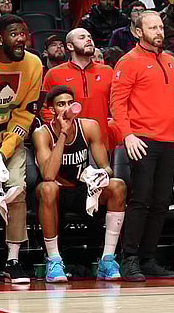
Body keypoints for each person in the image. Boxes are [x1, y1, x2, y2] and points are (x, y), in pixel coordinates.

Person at [110, 10, 174, 281]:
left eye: (160, 27)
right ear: (137, 32)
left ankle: (148, 258)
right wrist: (127, 135)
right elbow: (117, 104)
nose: (159, 32)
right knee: (141, 200)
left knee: (160, 203)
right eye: (152, 28)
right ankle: (129, 258)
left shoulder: (170, 60)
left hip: (168, 141)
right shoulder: (128, 61)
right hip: (141, 140)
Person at [32, 85, 127, 282]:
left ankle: (107, 259)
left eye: (69, 103)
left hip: (82, 189)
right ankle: (54, 260)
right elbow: (49, 174)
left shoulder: (89, 126)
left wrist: (100, 175)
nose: (67, 108)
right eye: (61, 104)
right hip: (56, 192)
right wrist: (64, 134)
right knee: (48, 188)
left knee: (117, 185)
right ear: (51, 110)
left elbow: (106, 167)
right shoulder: (42, 133)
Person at [0, 14, 43, 285]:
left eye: (23, 33)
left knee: (17, 190)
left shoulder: (34, 64)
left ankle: (12, 261)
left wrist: (2, 153)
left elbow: (25, 116)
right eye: (14, 34)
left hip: (8, 141)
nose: (21, 39)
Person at [42, 28, 114, 148]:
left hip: (101, 141)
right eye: (82, 38)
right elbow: (45, 109)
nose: (88, 40)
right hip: (67, 142)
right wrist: (56, 133)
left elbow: (117, 106)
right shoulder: (54, 74)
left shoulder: (107, 72)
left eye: (89, 37)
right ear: (70, 46)